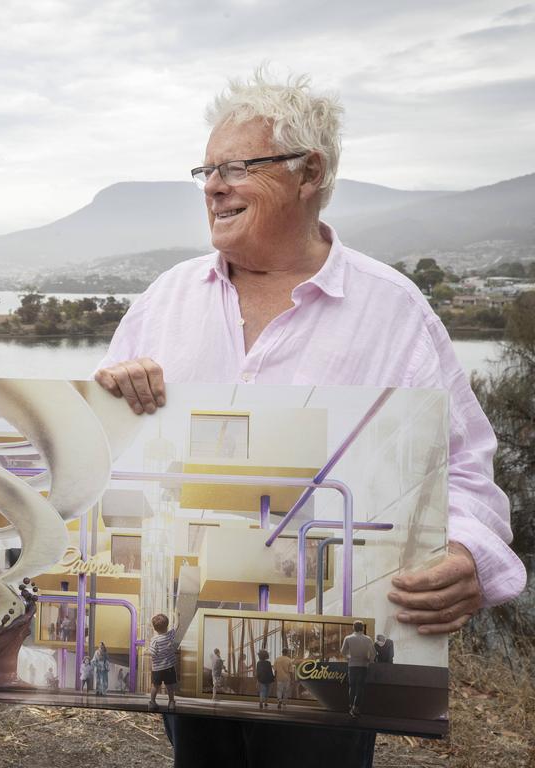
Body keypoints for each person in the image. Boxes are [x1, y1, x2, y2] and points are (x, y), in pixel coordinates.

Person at [95, 67, 526, 767]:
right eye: (206, 168)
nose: (212, 185)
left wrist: (466, 553)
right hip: (190, 644)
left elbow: (468, 472)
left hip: (328, 670)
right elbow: (100, 460)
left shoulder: (392, 310)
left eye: (236, 167)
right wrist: (110, 398)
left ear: (308, 172)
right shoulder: (163, 301)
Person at [341, 622, 375, 716]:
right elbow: (373, 653)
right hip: (363, 665)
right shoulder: (367, 639)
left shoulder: (348, 638)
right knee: (360, 687)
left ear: (353, 628)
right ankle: (356, 707)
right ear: (362, 628)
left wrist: (349, 658)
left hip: (352, 665)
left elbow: (343, 652)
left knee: (352, 686)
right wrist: (370, 661)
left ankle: (351, 705)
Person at [148, 614, 178, 712]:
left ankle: (152, 702)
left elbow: (152, 653)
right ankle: (171, 702)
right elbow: (177, 626)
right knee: (170, 686)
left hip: (157, 668)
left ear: (155, 628)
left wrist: (157, 656)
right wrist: (177, 616)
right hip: (169, 667)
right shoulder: (170, 635)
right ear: (167, 626)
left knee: (155, 686)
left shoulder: (154, 640)